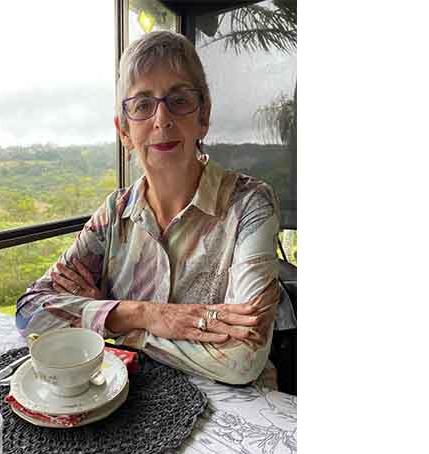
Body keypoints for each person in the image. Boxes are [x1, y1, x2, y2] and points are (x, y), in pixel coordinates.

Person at [15, 31, 281, 386]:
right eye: (142, 105)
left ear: (203, 116)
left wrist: (110, 323)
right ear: (124, 131)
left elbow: (241, 359)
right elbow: (30, 313)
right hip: (126, 403)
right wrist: (144, 313)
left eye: (179, 100)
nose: (162, 119)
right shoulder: (115, 212)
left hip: (235, 412)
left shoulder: (249, 204)